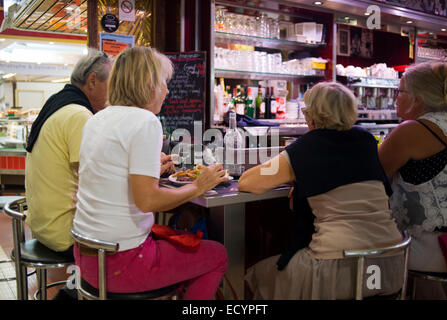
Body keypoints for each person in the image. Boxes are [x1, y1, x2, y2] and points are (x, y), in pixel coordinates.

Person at [72, 46, 228, 300]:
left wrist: (150, 168)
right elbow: (148, 201)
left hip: (87, 258)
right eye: (162, 83)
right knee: (217, 255)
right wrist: (200, 185)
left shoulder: (97, 119)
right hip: (123, 264)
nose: (167, 91)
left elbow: (111, 175)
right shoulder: (144, 121)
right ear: (146, 83)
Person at [238, 82, 404, 300]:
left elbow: (248, 182)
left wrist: (296, 175)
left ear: (310, 115)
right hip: (391, 262)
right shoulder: (366, 141)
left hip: (337, 269)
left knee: (256, 275)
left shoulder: (307, 146)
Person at [24, 50, 112, 300]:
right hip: (63, 230)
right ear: (93, 80)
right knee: (127, 238)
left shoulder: (60, 103)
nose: (115, 91)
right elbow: (92, 179)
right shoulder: (78, 114)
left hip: (41, 223)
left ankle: (75, 291)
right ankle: (82, 293)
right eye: (112, 83)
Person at [378, 62, 447, 299]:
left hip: (430, 248)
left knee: (355, 250)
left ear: (417, 99)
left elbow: (370, 177)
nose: (396, 98)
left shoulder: (412, 131)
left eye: (400, 92)